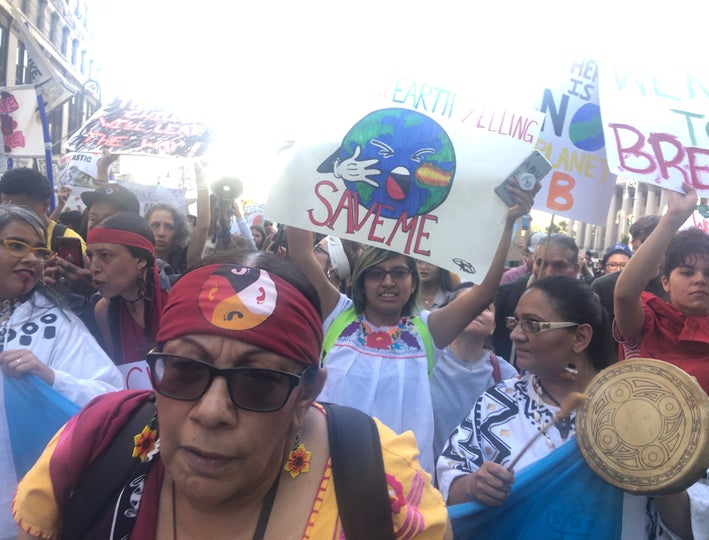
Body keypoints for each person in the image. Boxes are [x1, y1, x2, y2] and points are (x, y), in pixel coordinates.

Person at [13, 256, 451, 539]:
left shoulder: (380, 485)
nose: (211, 411)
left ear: (306, 395)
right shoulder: (92, 442)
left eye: (258, 382)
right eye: (184, 371)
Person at [436, 275, 709, 539]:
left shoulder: (640, 407)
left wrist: (655, 467)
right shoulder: (497, 404)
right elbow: (449, 485)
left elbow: (692, 526)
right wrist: (475, 485)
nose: (515, 335)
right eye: (516, 322)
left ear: (581, 337)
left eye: (532, 324)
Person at [287, 179, 535, 475]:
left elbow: (483, 292)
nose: (388, 282)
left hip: (399, 486)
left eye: (399, 273)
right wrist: (299, 174)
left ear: (413, 282)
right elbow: (301, 254)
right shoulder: (338, 314)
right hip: (326, 472)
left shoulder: (427, 330)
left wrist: (508, 223)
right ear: (362, 281)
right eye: (376, 273)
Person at [0, 205, 122, 539]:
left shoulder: (57, 324)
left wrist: (51, 377)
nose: (31, 259)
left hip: (20, 499)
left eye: (40, 252)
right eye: (16, 245)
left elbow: (110, 396)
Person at [614, 183, 709, 472]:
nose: (700, 279)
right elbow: (624, 295)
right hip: (643, 465)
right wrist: (673, 217)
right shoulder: (646, 322)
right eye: (686, 272)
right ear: (664, 282)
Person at [430, 285, 517, 460]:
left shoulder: (506, 374)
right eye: (467, 303)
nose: (476, 310)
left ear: (493, 326)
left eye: (485, 307)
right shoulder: (427, 362)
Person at [88, 212, 169, 365]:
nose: (93, 267)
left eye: (105, 255)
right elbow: (120, 372)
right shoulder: (103, 311)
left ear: (140, 261)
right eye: (90, 256)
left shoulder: (174, 303)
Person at [493, 234, 580, 361]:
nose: (548, 273)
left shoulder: (586, 304)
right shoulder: (507, 295)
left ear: (575, 269)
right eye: (541, 263)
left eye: (559, 265)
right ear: (533, 263)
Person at [0, 168, 85, 252]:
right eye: (4, 208)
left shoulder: (69, 243)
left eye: (21, 211)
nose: (10, 215)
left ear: (45, 206)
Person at [144, 203, 191, 274]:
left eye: (169, 227)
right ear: (144, 228)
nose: (161, 233)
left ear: (178, 231)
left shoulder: (185, 261)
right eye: (155, 225)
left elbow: (203, 227)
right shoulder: (136, 263)